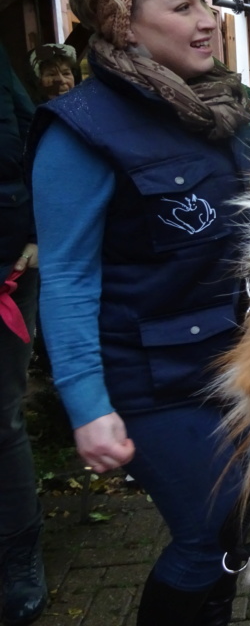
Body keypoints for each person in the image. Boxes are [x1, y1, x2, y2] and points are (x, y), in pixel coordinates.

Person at [28, 0, 250, 626]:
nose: (209, 22)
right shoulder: (82, 130)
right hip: (148, 380)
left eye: (206, 3)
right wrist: (86, 405)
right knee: (212, 527)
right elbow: (67, 277)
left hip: (230, 361)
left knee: (242, 522)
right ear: (123, 26)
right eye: (183, 7)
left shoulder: (222, 110)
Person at [0, 41, 46, 626]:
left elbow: (30, 137)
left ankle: (19, 553)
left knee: (1, 417)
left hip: (6, 258)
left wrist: (34, 228)